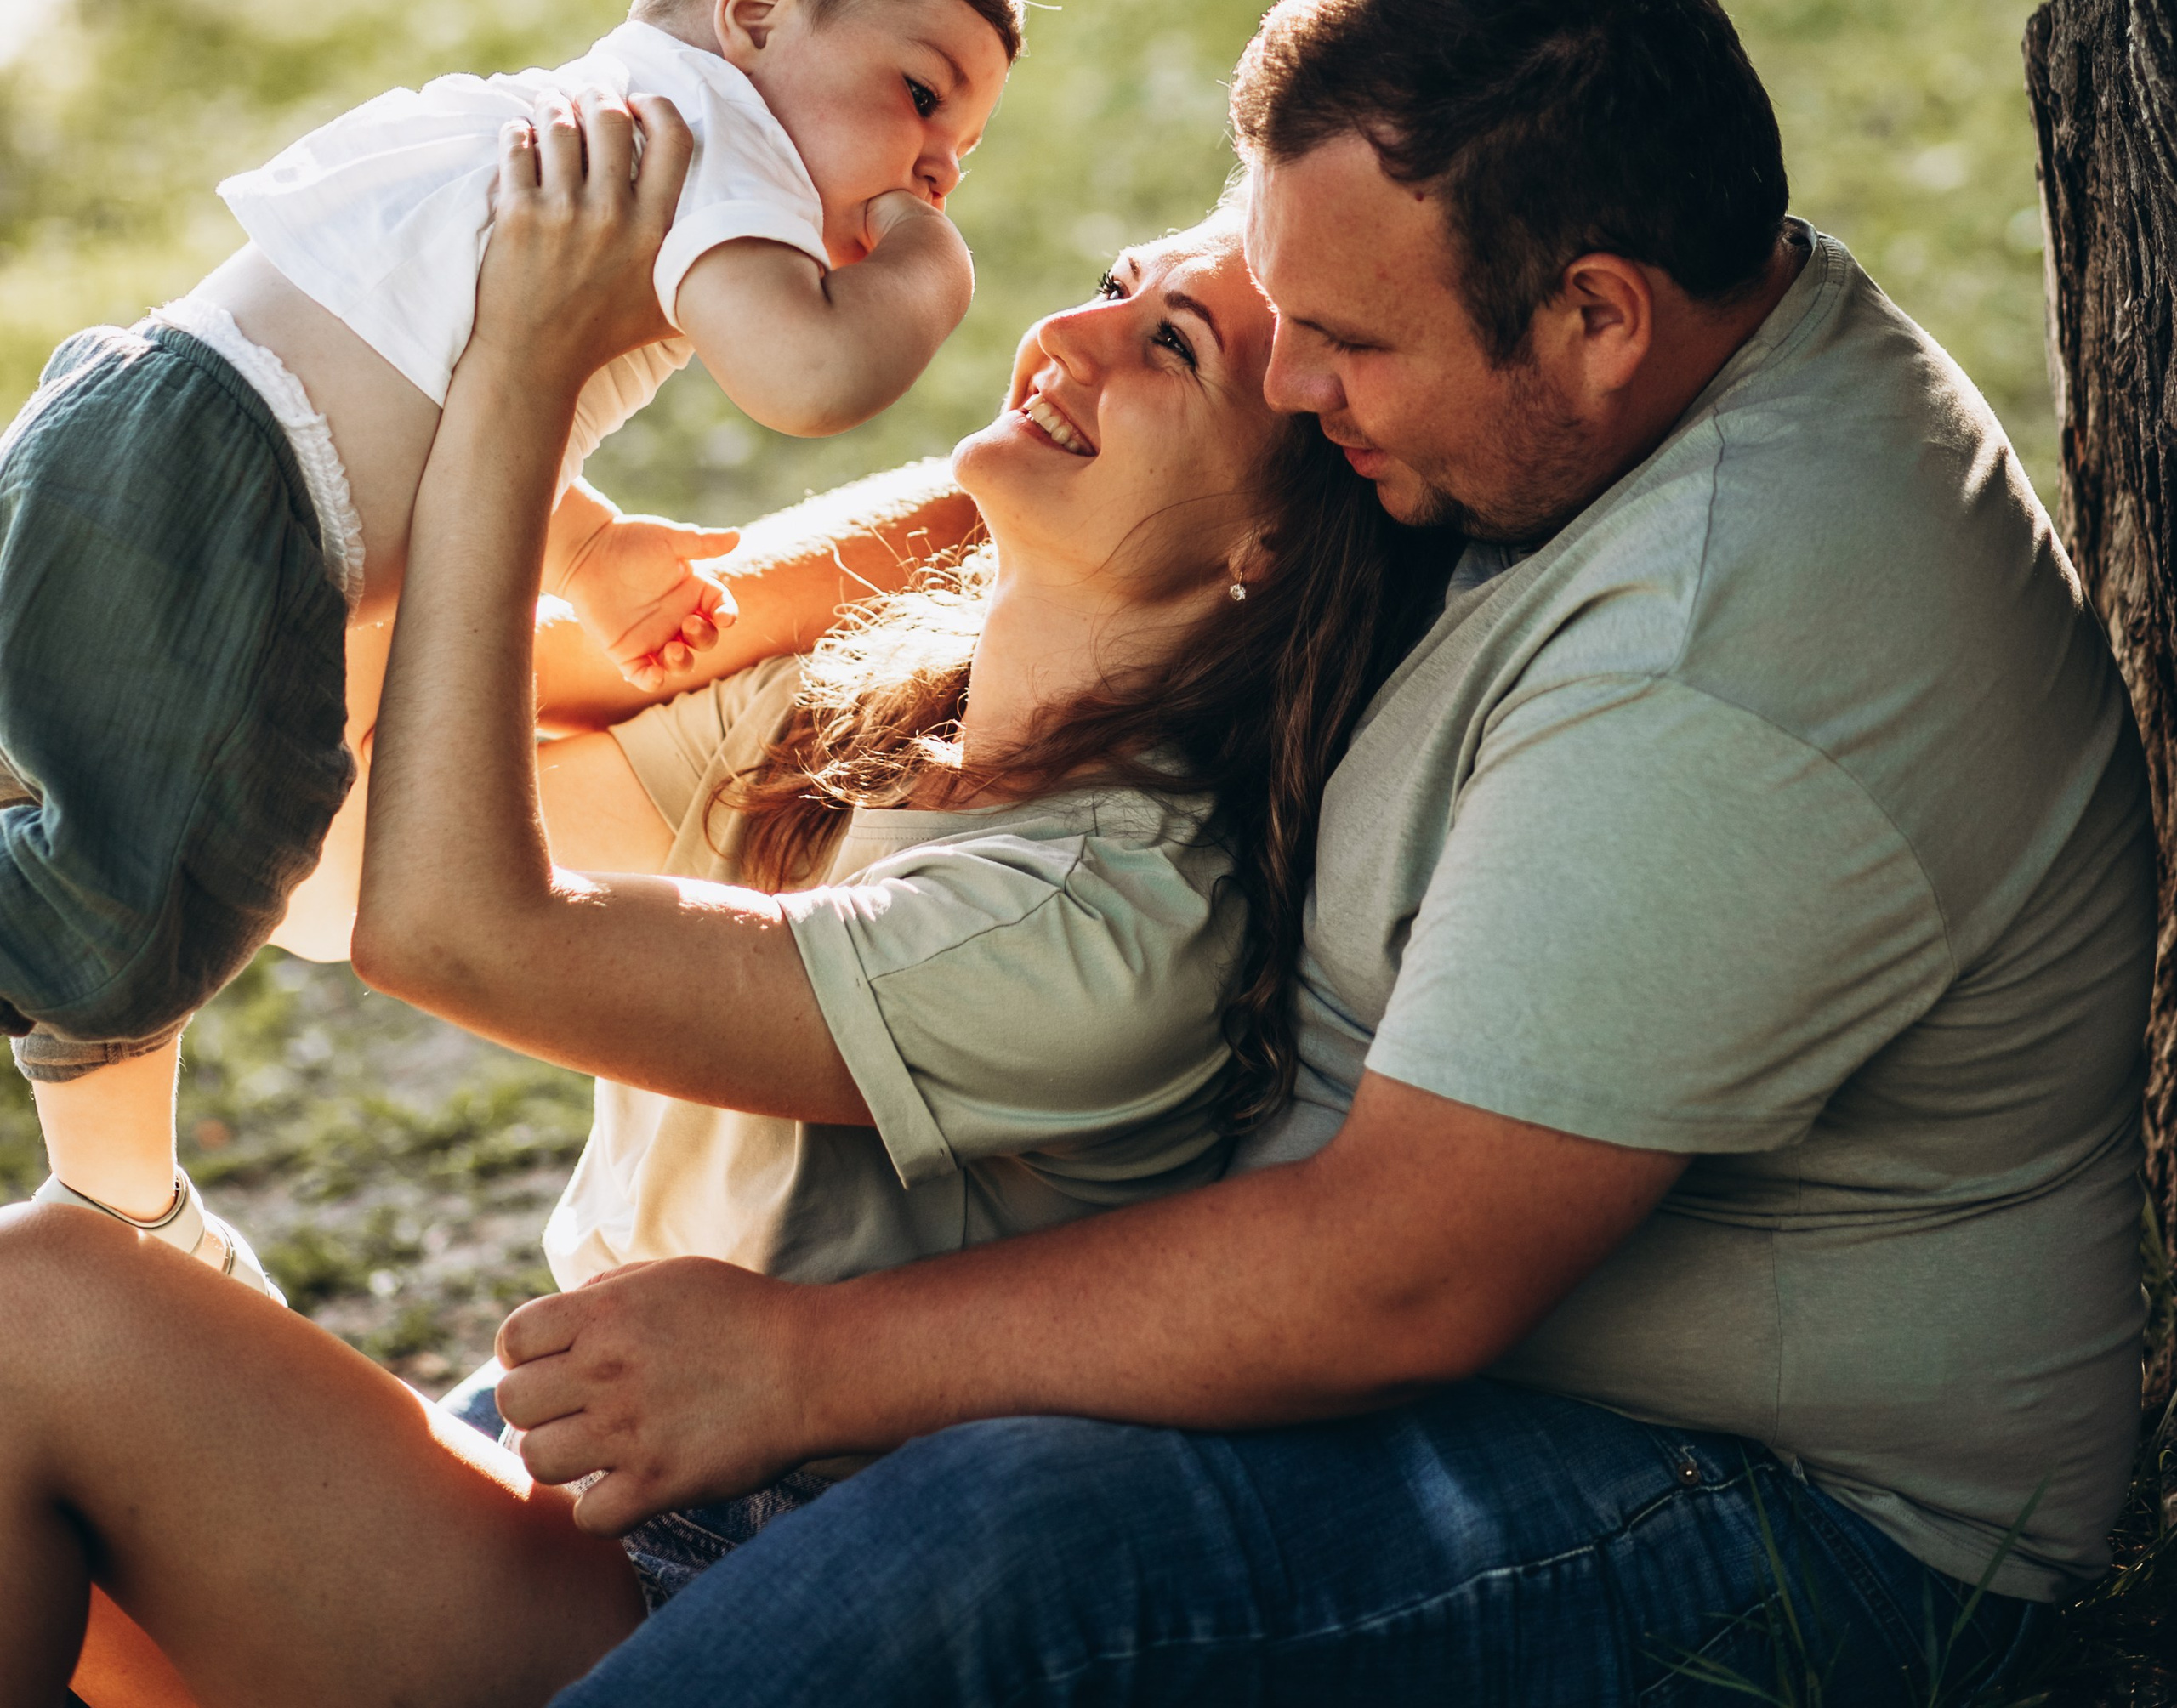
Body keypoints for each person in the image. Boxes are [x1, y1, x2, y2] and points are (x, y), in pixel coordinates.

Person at [481, 0, 2156, 1708]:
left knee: (1008, 1542)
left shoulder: (1726, 645)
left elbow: (1394, 1277)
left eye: (1342, 348)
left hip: (1777, 1515)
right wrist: (744, 586)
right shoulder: (1580, 292)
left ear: (1592, 316)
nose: (1294, 380)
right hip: (1434, 1348)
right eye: (1274, 310)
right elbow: (1146, 400)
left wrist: (800, 1366)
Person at [0, 92, 1446, 1706]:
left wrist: (521, 389)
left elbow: (456, 927)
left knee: (36, 1313)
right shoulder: (880, 701)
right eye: (1114, 277)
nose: (1068, 331)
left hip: (737, 1584)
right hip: (572, 1491)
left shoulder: (1112, 917)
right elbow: (345, 846)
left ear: (1273, 535)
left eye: (1170, 344)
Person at [0, 0, 1019, 1297]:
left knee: (87, 793)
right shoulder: (711, 133)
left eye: (960, 160)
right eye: (920, 99)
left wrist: (593, 550)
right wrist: (928, 276)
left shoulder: (582, 118)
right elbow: (805, 375)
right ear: (753, 14)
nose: (929, 171)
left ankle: (117, 1197)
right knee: (154, 869)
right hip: (227, 501)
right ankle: (122, 1207)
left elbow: (457, 396)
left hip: (133, 420)